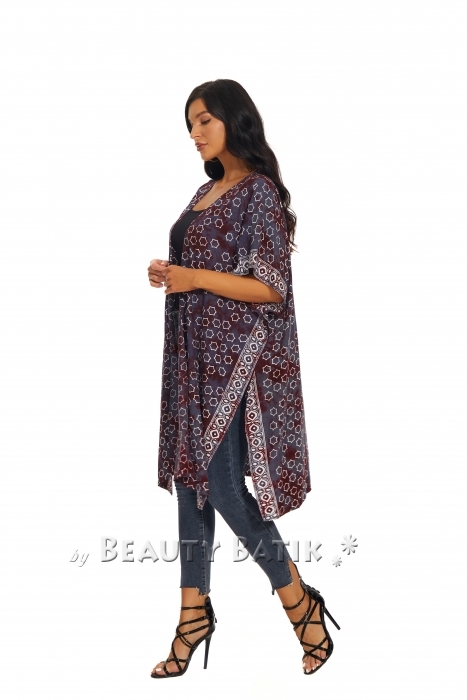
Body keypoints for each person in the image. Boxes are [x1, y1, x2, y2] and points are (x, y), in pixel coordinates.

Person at [147, 79, 340, 678]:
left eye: (204, 120)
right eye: (190, 125)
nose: (195, 133)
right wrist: (172, 273)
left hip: (238, 364)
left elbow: (271, 287)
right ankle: (192, 615)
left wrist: (194, 278)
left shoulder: (258, 192)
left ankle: (300, 602)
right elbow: (202, 268)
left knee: (225, 489)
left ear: (234, 119)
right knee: (191, 484)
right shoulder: (204, 192)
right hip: (193, 359)